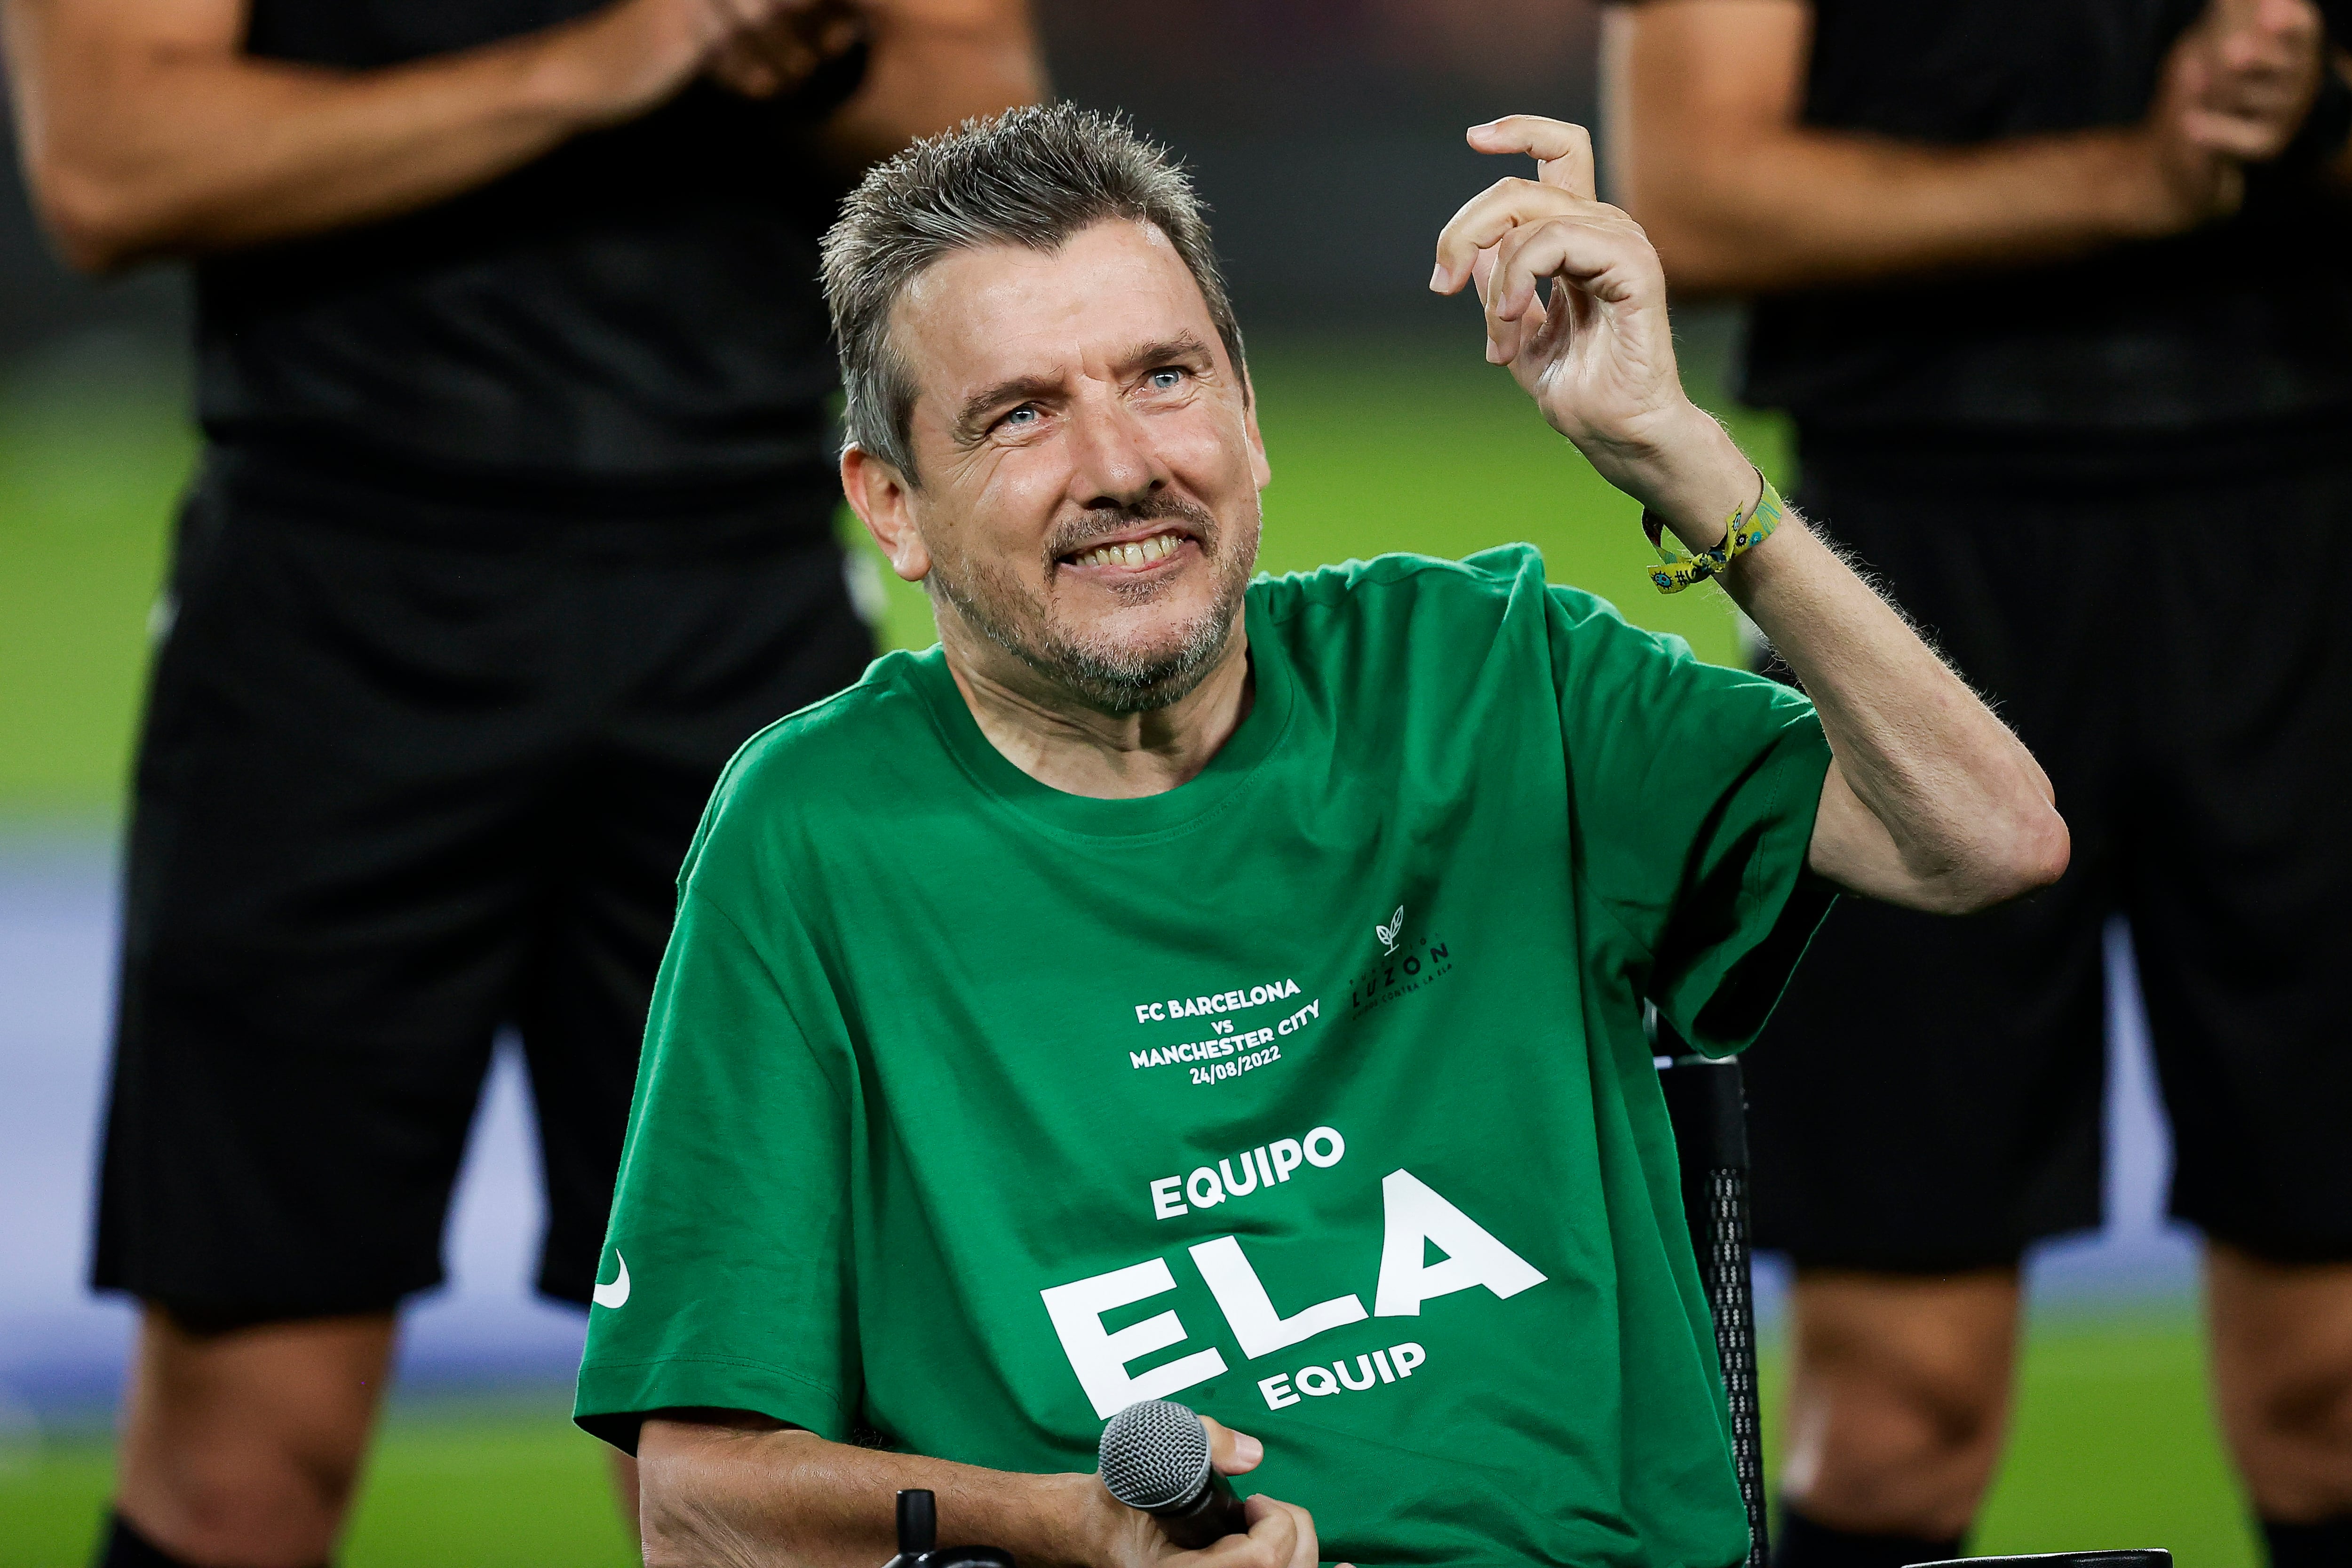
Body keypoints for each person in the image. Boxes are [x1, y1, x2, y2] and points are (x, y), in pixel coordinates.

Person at [567, 103, 2066, 1568]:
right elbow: (698, 1511)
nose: (1120, 466)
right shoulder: (814, 833)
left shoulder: (1485, 672)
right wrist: (1064, 1538)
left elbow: (1985, 837)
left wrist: (1677, 453)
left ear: (1249, 420)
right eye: (1022, 413)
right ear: (890, 505)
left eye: (1164, 377)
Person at [2, 0, 1040, 1560]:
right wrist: (603, 56)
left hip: (740, 609)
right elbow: (109, 160)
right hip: (327, 618)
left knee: (768, 1439)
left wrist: (795, 42)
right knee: (243, 1458)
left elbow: (988, 120)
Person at [1599, 1, 2352, 1564]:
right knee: (1894, 1419)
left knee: (2337, 1394)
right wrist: (2136, 179)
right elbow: (1691, 188)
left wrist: (2317, 103)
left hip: (2308, 541)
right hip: (1912, 572)